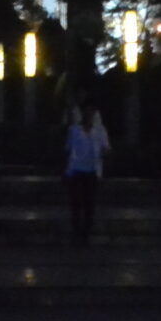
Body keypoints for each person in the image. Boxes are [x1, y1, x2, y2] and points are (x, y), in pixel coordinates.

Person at [63, 100, 111, 244]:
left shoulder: (100, 131)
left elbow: (106, 148)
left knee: (89, 204)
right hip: (77, 171)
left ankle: (85, 234)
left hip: (92, 171)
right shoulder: (74, 130)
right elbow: (68, 149)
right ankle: (76, 232)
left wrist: (103, 155)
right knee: (76, 203)